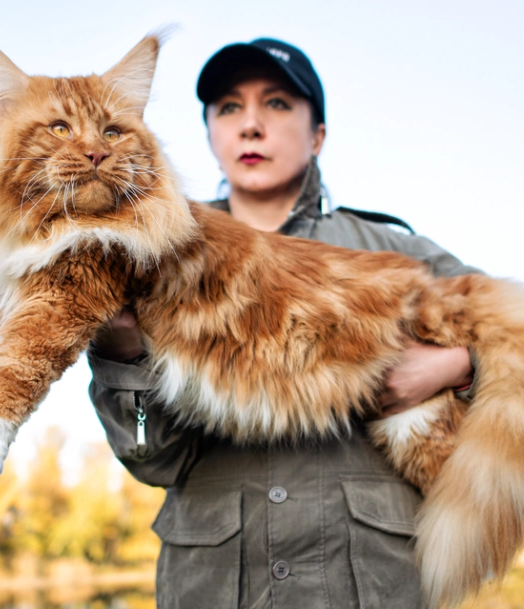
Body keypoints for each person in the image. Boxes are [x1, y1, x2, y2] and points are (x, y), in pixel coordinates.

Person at [88, 38, 479, 609]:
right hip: (217, 586)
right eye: (228, 108)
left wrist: (451, 367)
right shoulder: (150, 254)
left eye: (275, 104)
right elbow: (154, 460)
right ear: (210, 136)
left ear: (317, 134)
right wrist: (125, 357)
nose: (250, 125)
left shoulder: (394, 249)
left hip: (372, 585)